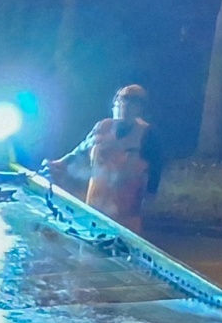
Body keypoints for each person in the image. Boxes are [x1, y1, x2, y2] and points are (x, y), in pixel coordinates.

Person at [52, 84, 165, 233]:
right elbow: (80, 150)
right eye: (124, 99)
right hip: (94, 212)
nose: (127, 105)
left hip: (126, 219)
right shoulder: (102, 127)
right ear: (115, 103)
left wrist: (149, 199)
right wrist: (59, 163)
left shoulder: (148, 135)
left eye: (134, 101)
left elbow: (156, 170)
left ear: (141, 108)